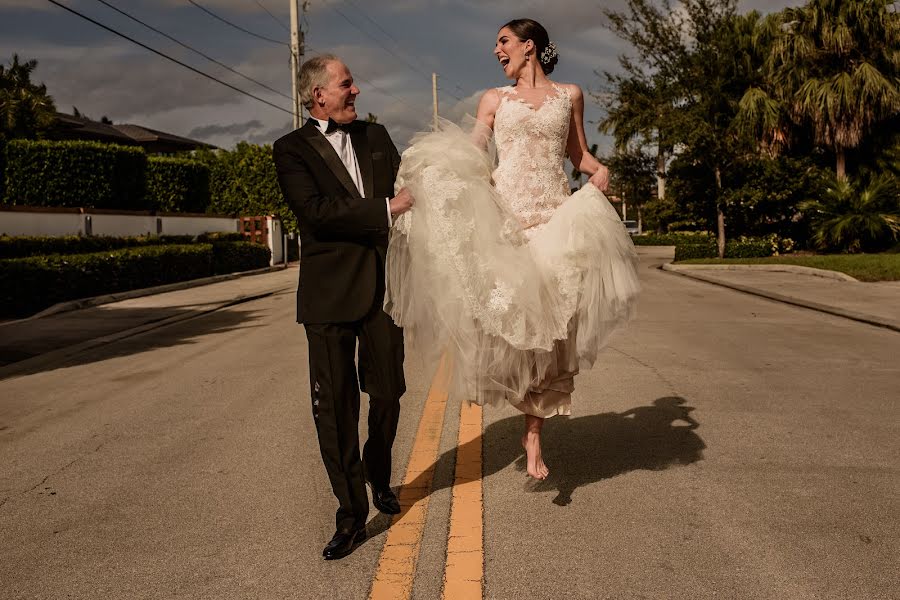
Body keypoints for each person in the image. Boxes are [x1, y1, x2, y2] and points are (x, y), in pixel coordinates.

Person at [384, 19, 640, 481]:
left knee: (553, 329)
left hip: (557, 217)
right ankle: (528, 420)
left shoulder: (570, 95)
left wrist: (599, 169)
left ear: (530, 46)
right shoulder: (494, 100)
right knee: (517, 323)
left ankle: (535, 433)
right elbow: (477, 146)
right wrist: (444, 169)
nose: (496, 50)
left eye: (503, 42)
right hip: (508, 219)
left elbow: (576, 153)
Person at [273, 54, 414, 560]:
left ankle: (379, 474)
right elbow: (315, 214)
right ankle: (351, 515)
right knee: (335, 410)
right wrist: (384, 210)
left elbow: (408, 187)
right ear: (320, 96)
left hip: (383, 292)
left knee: (389, 392)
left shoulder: (376, 138)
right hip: (329, 298)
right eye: (347, 85)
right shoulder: (290, 150)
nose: (356, 92)